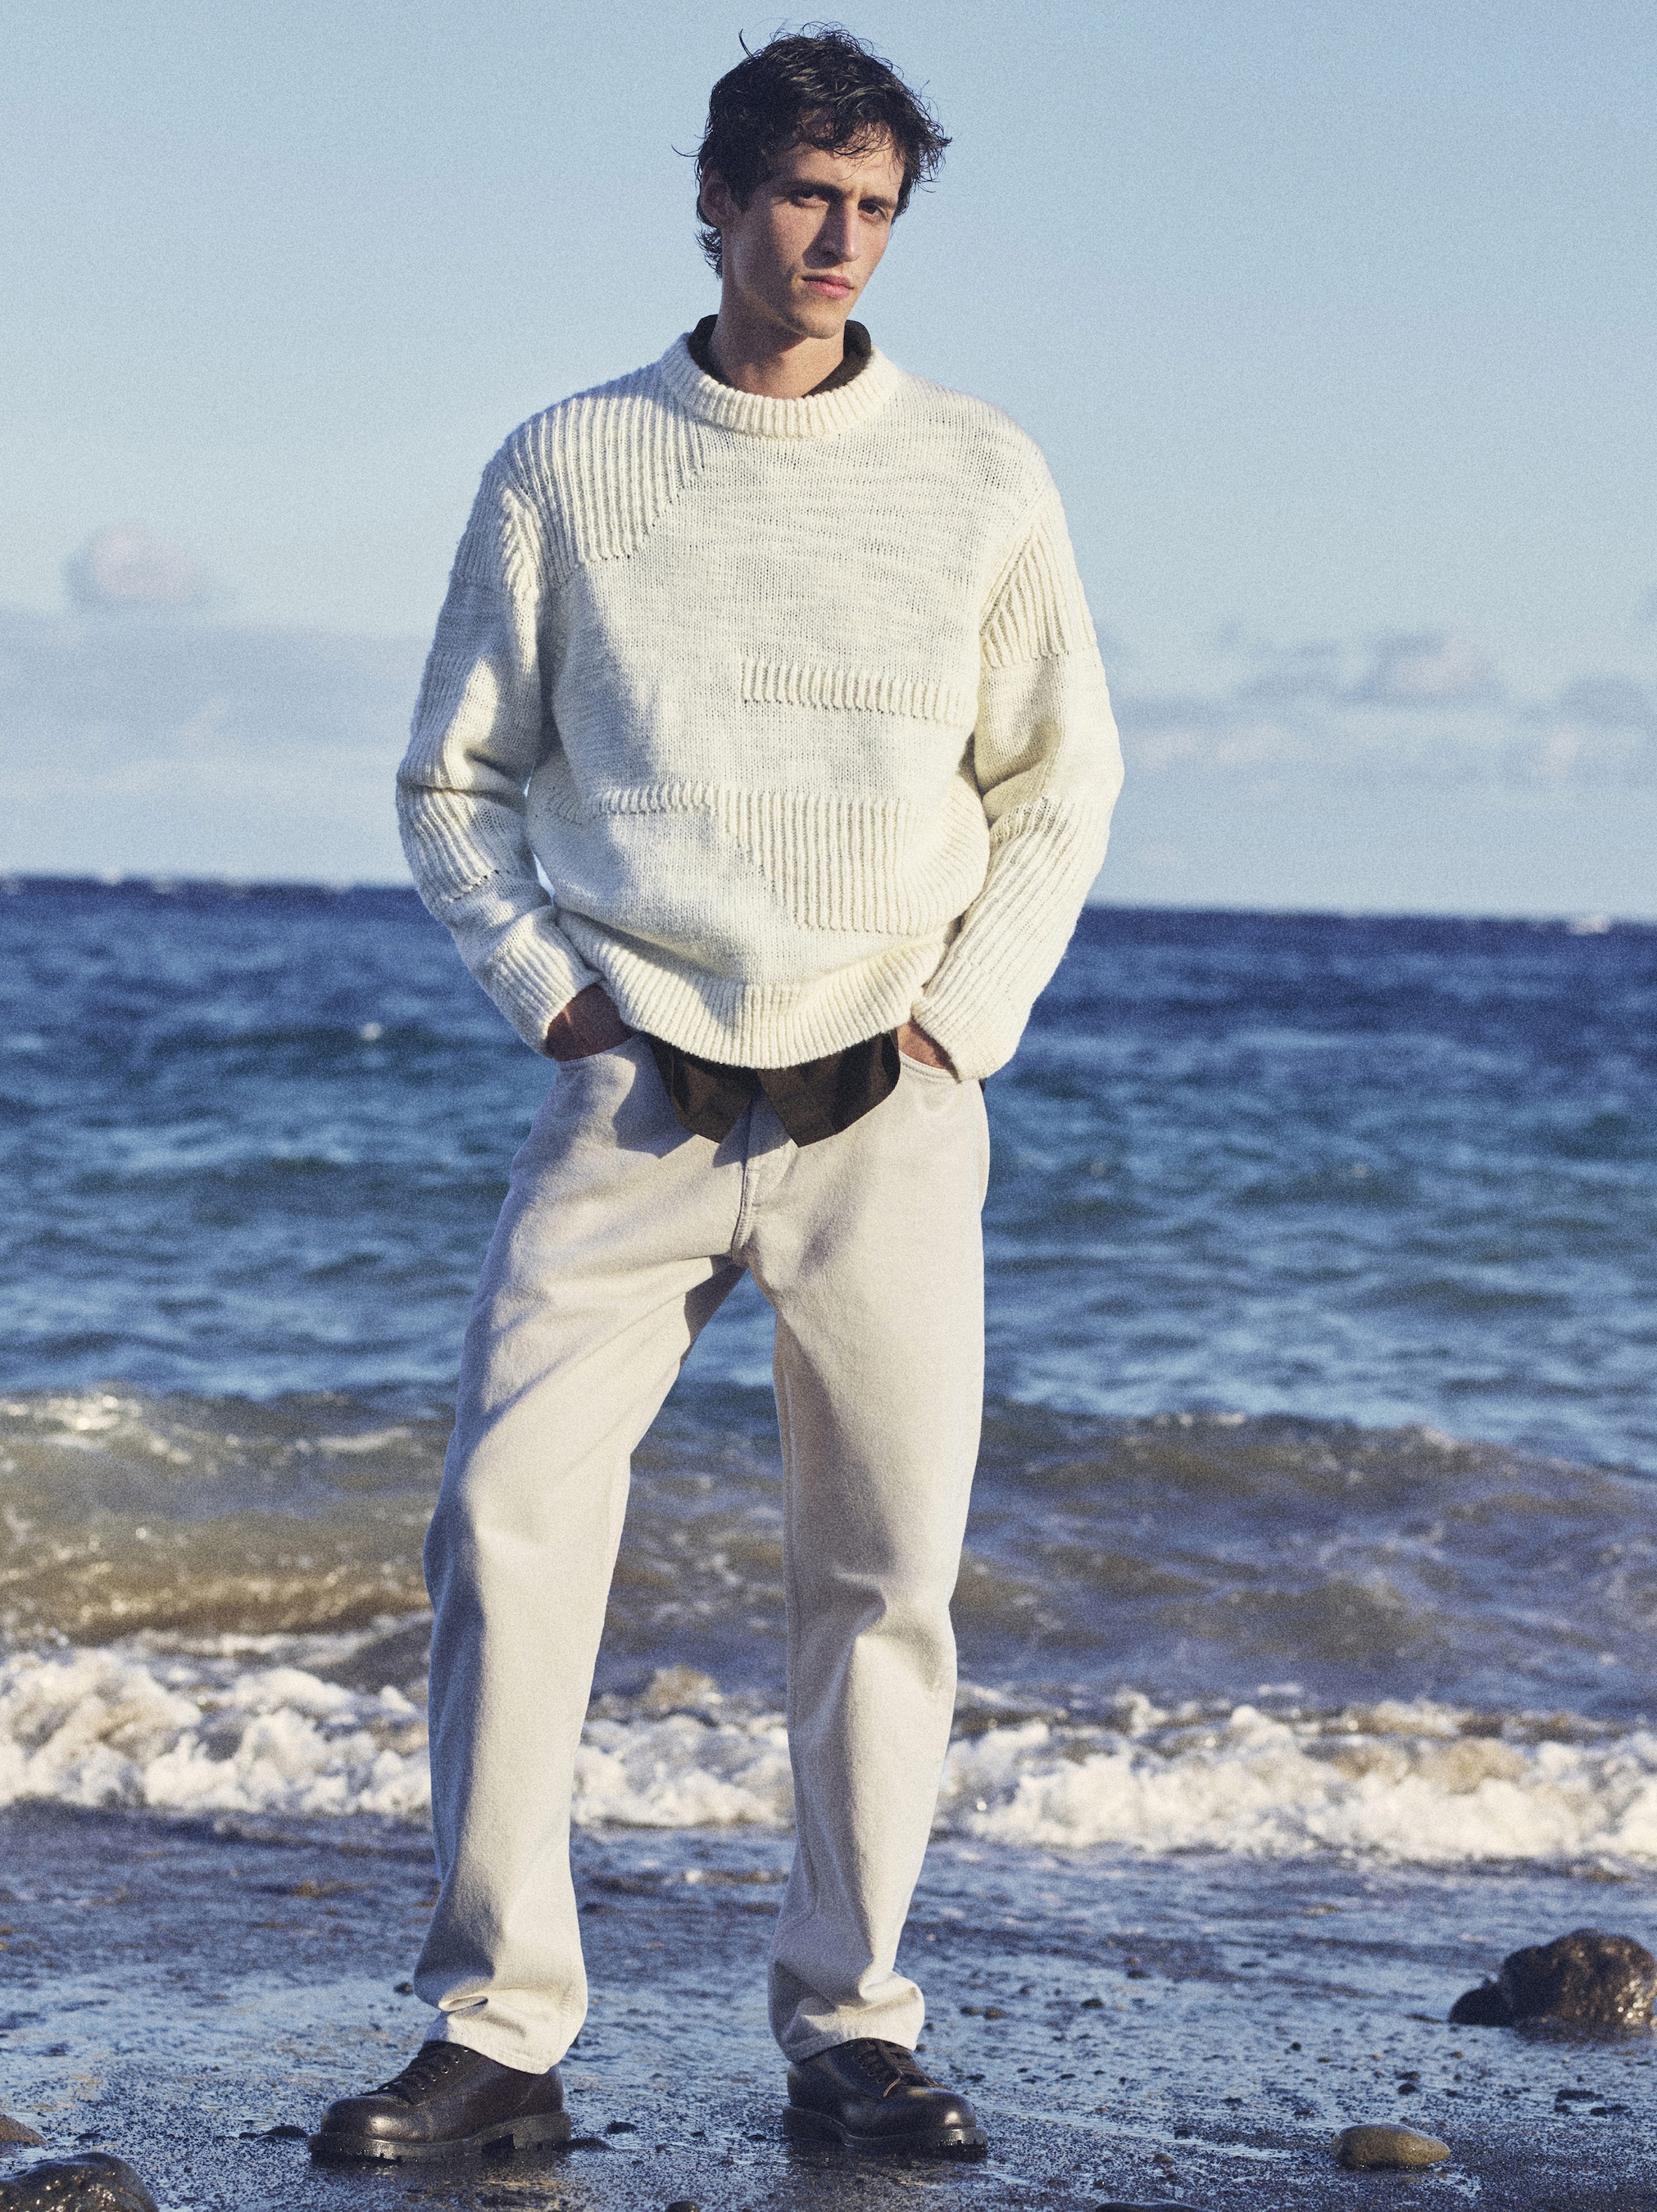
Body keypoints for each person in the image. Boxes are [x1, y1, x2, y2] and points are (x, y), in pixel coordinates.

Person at [313, 25, 1121, 2167]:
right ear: (717, 196)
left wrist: (960, 1022)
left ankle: (854, 2017)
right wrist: (555, 1000)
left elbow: (1060, 792)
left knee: (884, 1570)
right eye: (801, 197)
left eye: (873, 206)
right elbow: (453, 783)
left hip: (891, 1101)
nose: (837, 240)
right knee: (504, 1523)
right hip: (633, 1091)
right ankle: (498, 2026)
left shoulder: (981, 473)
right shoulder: (570, 462)